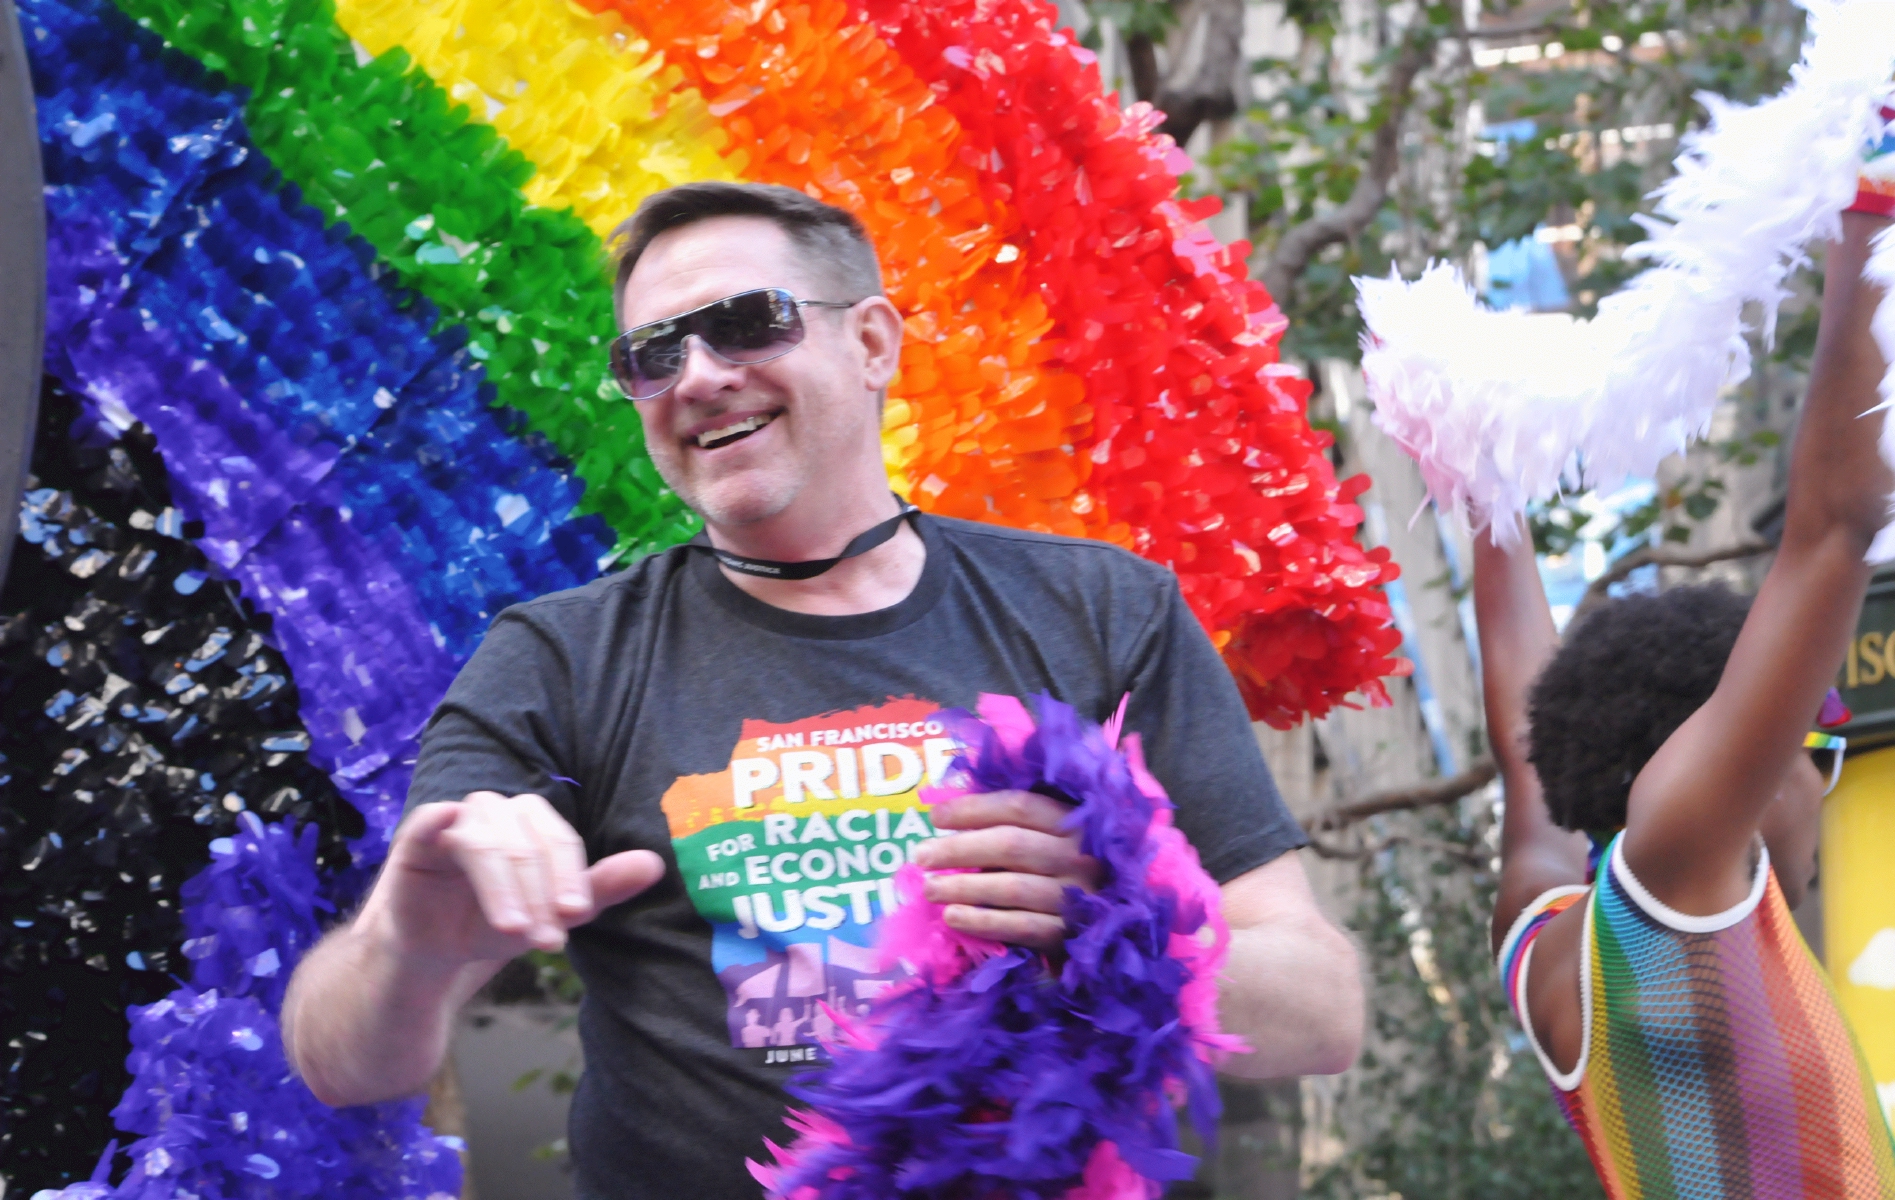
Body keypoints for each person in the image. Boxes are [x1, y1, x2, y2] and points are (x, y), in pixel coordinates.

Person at [280, 182, 1363, 1199]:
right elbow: (340, 1057)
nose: (699, 374)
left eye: (749, 322)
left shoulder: (1098, 610)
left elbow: (1320, 1010)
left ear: (872, 342)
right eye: (654, 353)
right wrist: (405, 951)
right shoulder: (558, 658)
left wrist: (1120, 937)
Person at [1479, 209, 1895, 1197]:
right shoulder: (1675, 885)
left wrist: (1478, 476)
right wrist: (1867, 222)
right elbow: (1831, 529)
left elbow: (1520, 739)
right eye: (1813, 744)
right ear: (1719, 759)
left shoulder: (1547, 940)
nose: (1819, 783)